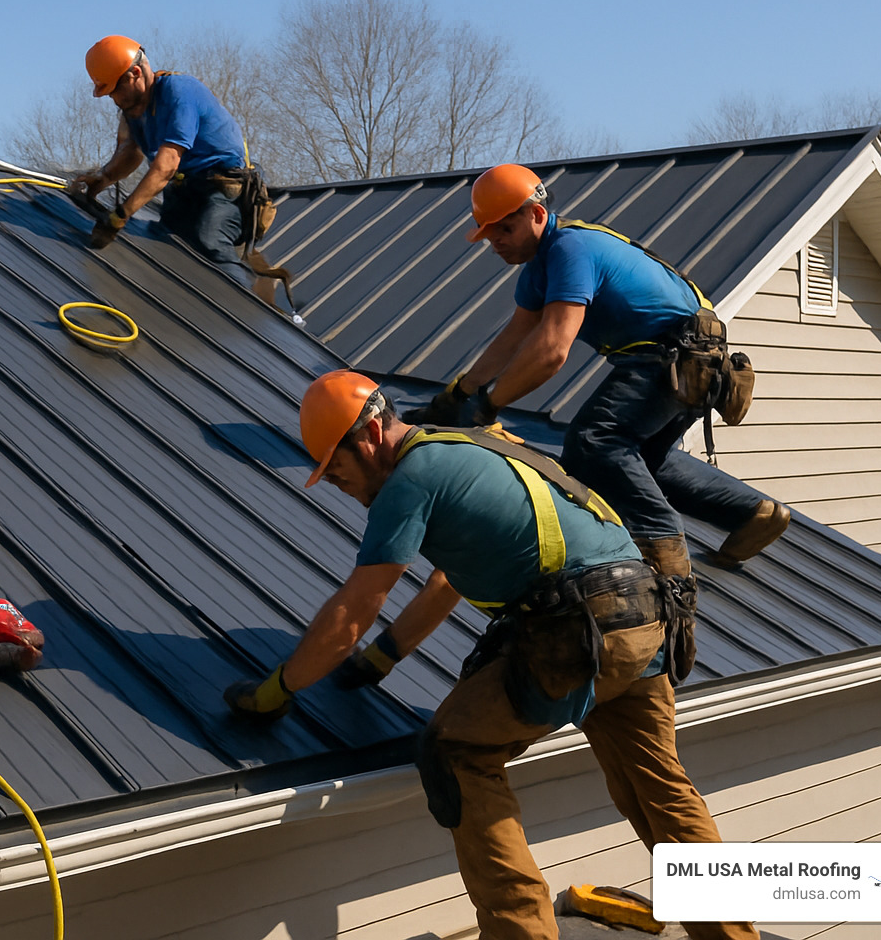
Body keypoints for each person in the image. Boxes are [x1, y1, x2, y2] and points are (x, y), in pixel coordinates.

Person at [224, 370, 757, 940]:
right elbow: (447, 582)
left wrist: (274, 692)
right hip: (643, 616)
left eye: (336, 466)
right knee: (659, 792)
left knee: (455, 750)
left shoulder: (408, 480)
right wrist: (384, 658)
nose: (335, 481)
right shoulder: (468, 449)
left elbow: (354, 610)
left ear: (372, 432)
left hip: (582, 628)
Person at [410, 163, 789, 577]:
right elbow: (513, 338)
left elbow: (552, 350)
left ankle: (662, 547)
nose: (496, 243)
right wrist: (461, 393)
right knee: (640, 459)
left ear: (536, 214)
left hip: (670, 357)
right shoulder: (540, 267)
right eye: (488, 235)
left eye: (504, 230)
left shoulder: (568, 250)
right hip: (694, 361)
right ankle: (752, 514)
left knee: (594, 443)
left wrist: (491, 404)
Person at [70, 35, 279, 305]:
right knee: (165, 241)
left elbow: (166, 166)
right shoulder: (134, 108)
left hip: (224, 191)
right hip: (185, 190)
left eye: (114, 90)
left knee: (209, 241)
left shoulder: (180, 92)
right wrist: (103, 178)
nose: (113, 99)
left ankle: (251, 311)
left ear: (135, 73)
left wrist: (120, 215)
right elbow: (131, 150)